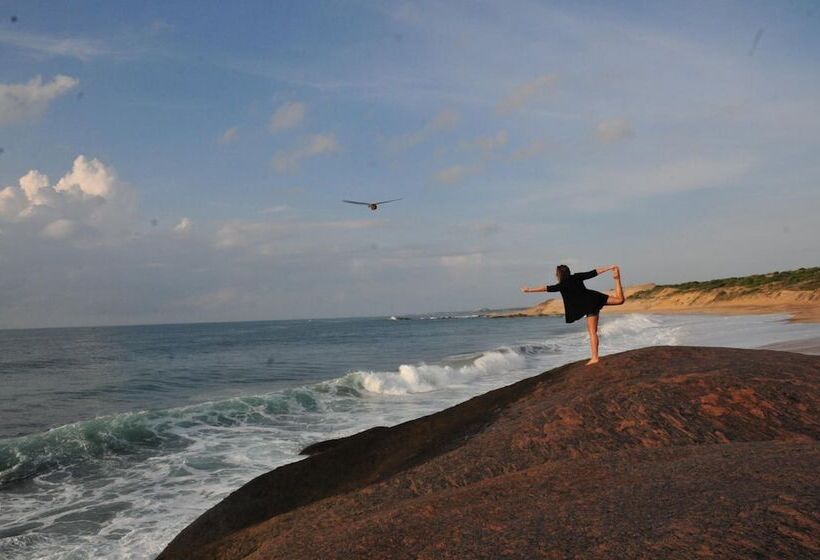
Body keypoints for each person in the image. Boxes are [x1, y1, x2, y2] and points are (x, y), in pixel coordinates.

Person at [521, 264, 625, 365]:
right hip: (594, 297)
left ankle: (595, 358)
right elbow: (593, 272)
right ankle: (617, 279)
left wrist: (528, 290)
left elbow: (545, 288)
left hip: (589, 305)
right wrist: (609, 267)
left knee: (592, 332)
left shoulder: (561, 285)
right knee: (620, 300)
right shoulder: (576, 276)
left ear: (559, 274)